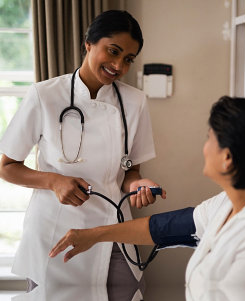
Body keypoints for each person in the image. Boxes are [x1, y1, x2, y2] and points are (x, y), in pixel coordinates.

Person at [0, 10, 166, 291]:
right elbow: (7, 166)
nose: (118, 65)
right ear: (89, 43)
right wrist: (53, 181)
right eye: (112, 51)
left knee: (126, 291)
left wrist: (138, 184)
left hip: (112, 228)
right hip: (55, 230)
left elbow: (131, 170)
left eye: (128, 59)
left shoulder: (134, 102)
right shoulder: (45, 94)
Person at [50, 93, 245, 297]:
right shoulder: (225, 204)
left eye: (210, 138)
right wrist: (94, 235)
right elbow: (165, 227)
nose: (204, 148)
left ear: (227, 157)